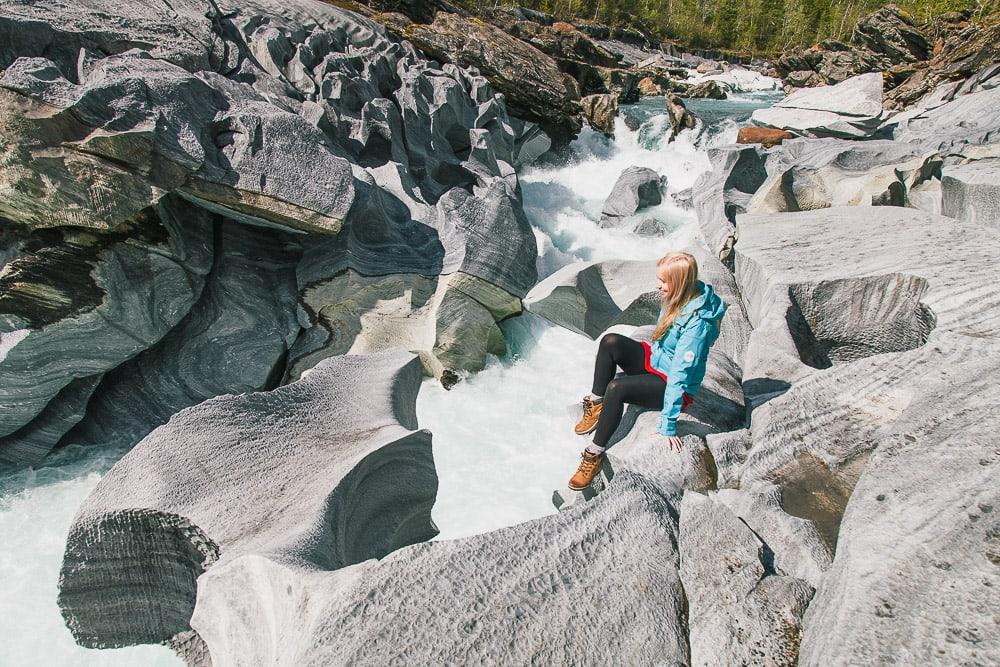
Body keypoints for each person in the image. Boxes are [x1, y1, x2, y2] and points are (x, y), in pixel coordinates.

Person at [567, 251, 726, 491]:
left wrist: (668, 424)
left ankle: (594, 453)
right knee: (610, 341)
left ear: (680, 283)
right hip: (657, 360)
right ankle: (597, 403)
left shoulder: (698, 325)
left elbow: (680, 375)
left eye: (663, 281)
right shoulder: (680, 295)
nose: (658, 285)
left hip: (672, 384)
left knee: (617, 388)